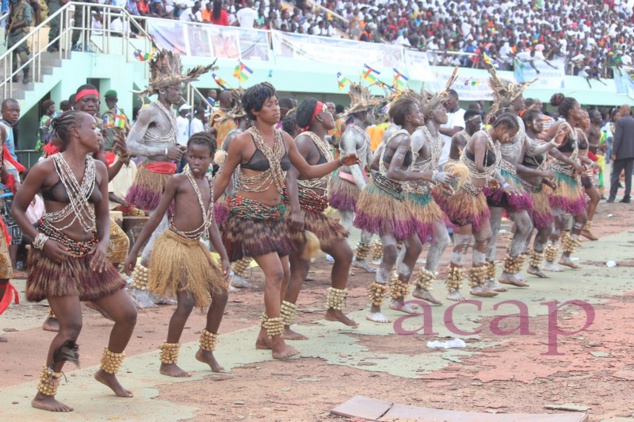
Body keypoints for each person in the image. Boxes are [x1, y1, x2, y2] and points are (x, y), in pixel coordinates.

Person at [212, 82, 359, 359]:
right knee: (276, 273)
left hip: (274, 217)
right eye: (269, 104)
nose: (276, 108)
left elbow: (308, 171)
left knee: (287, 273)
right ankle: (277, 342)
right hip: (248, 216)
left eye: (276, 102)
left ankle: (264, 336)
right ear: (255, 110)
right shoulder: (243, 141)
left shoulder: (286, 140)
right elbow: (223, 177)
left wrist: (340, 162)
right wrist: (205, 205)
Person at [12, 111, 138, 412]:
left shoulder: (98, 168)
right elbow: (18, 209)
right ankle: (45, 393)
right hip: (56, 255)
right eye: (93, 127)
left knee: (127, 314)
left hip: (88, 254)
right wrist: (43, 242)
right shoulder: (45, 168)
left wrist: (104, 241)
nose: (99, 132)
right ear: (75, 133)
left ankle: (106, 371)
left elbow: (103, 214)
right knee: (71, 326)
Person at [124, 132, 230, 377]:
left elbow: (211, 222)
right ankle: (167, 361)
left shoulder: (209, 184)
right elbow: (156, 217)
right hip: (175, 246)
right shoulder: (178, 181)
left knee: (221, 294)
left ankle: (206, 350)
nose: (195, 162)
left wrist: (223, 254)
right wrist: (134, 252)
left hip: (196, 247)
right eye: (192, 157)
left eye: (201, 158)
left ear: (211, 159)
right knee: (187, 302)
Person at [125, 50, 212, 307]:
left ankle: (159, 287)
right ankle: (140, 288)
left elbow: (159, 142)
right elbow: (131, 145)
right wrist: (164, 151)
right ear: (163, 91)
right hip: (153, 178)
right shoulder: (149, 111)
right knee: (159, 231)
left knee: (166, 233)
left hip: (168, 176)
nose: (180, 94)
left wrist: (175, 149)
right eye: (176, 89)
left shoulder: (168, 111)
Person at [355, 97, 453, 322]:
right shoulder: (405, 139)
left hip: (393, 195)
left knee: (415, 246)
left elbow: (374, 164)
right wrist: (429, 175)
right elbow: (393, 172)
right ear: (409, 118)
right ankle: (374, 309)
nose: (422, 114)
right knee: (390, 251)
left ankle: (398, 299)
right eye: (418, 111)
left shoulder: (396, 134)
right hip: (384, 198)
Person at [282, 98, 358, 339]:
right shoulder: (304, 141)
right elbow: (290, 177)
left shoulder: (323, 142)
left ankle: (334, 309)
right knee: (300, 268)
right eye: (327, 111)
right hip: (301, 212)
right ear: (317, 118)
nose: (332, 115)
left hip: (316, 213)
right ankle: (282, 325)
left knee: (344, 255)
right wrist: (294, 211)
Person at [433, 113, 520, 301]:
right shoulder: (480, 138)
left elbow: (493, 167)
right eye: (510, 134)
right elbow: (481, 167)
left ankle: (478, 284)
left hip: (476, 195)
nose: (510, 139)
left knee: (484, 236)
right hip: (463, 194)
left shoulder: (493, 142)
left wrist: (504, 184)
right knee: (463, 241)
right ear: (502, 128)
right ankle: (453, 288)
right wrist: (496, 182)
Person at [406, 88, 456, 306]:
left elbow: (430, 170)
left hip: (426, 197)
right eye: (438, 107)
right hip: (407, 197)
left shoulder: (440, 140)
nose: (444, 110)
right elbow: (399, 168)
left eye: (444, 106)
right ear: (428, 114)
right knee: (410, 247)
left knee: (443, 238)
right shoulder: (418, 136)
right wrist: (433, 176)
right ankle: (394, 292)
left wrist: (439, 182)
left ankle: (423, 287)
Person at [330, 83, 378, 272]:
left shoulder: (363, 133)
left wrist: (379, 179)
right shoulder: (350, 135)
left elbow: (370, 161)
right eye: (372, 111)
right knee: (347, 222)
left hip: (361, 183)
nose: (375, 115)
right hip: (346, 183)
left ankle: (360, 258)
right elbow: (351, 163)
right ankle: (339, 259)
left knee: (370, 221)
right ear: (362, 114)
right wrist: (364, 188)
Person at [543, 93, 588, 271]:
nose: (581, 111)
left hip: (571, 179)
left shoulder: (573, 129)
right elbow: (549, 146)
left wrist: (585, 162)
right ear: (571, 111)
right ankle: (548, 261)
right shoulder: (561, 126)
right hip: (559, 178)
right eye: (578, 108)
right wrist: (571, 162)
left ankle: (566, 256)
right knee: (559, 219)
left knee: (581, 218)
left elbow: (573, 153)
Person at [608, 105, 634, 203]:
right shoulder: (632, 120)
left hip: (621, 153)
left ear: (623, 110)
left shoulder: (620, 121)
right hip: (631, 153)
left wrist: (614, 152)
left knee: (615, 174)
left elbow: (617, 138)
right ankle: (627, 196)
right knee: (628, 175)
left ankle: (612, 197)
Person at [6, 0, 33, 84]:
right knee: (11, 56)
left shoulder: (25, 6)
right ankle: (13, 76)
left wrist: (14, 26)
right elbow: (9, 19)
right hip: (12, 33)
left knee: (23, 54)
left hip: (20, 32)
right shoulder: (12, 5)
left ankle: (26, 74)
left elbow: (28, 20)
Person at [438, 89, 466, 168]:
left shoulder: (461, 113)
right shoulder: (445, 113)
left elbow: (455, 132)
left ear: (456, 99)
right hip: (439, 159)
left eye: (449, 99)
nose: (446, 102)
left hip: (449, 160)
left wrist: (436, 128)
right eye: (444, 100)